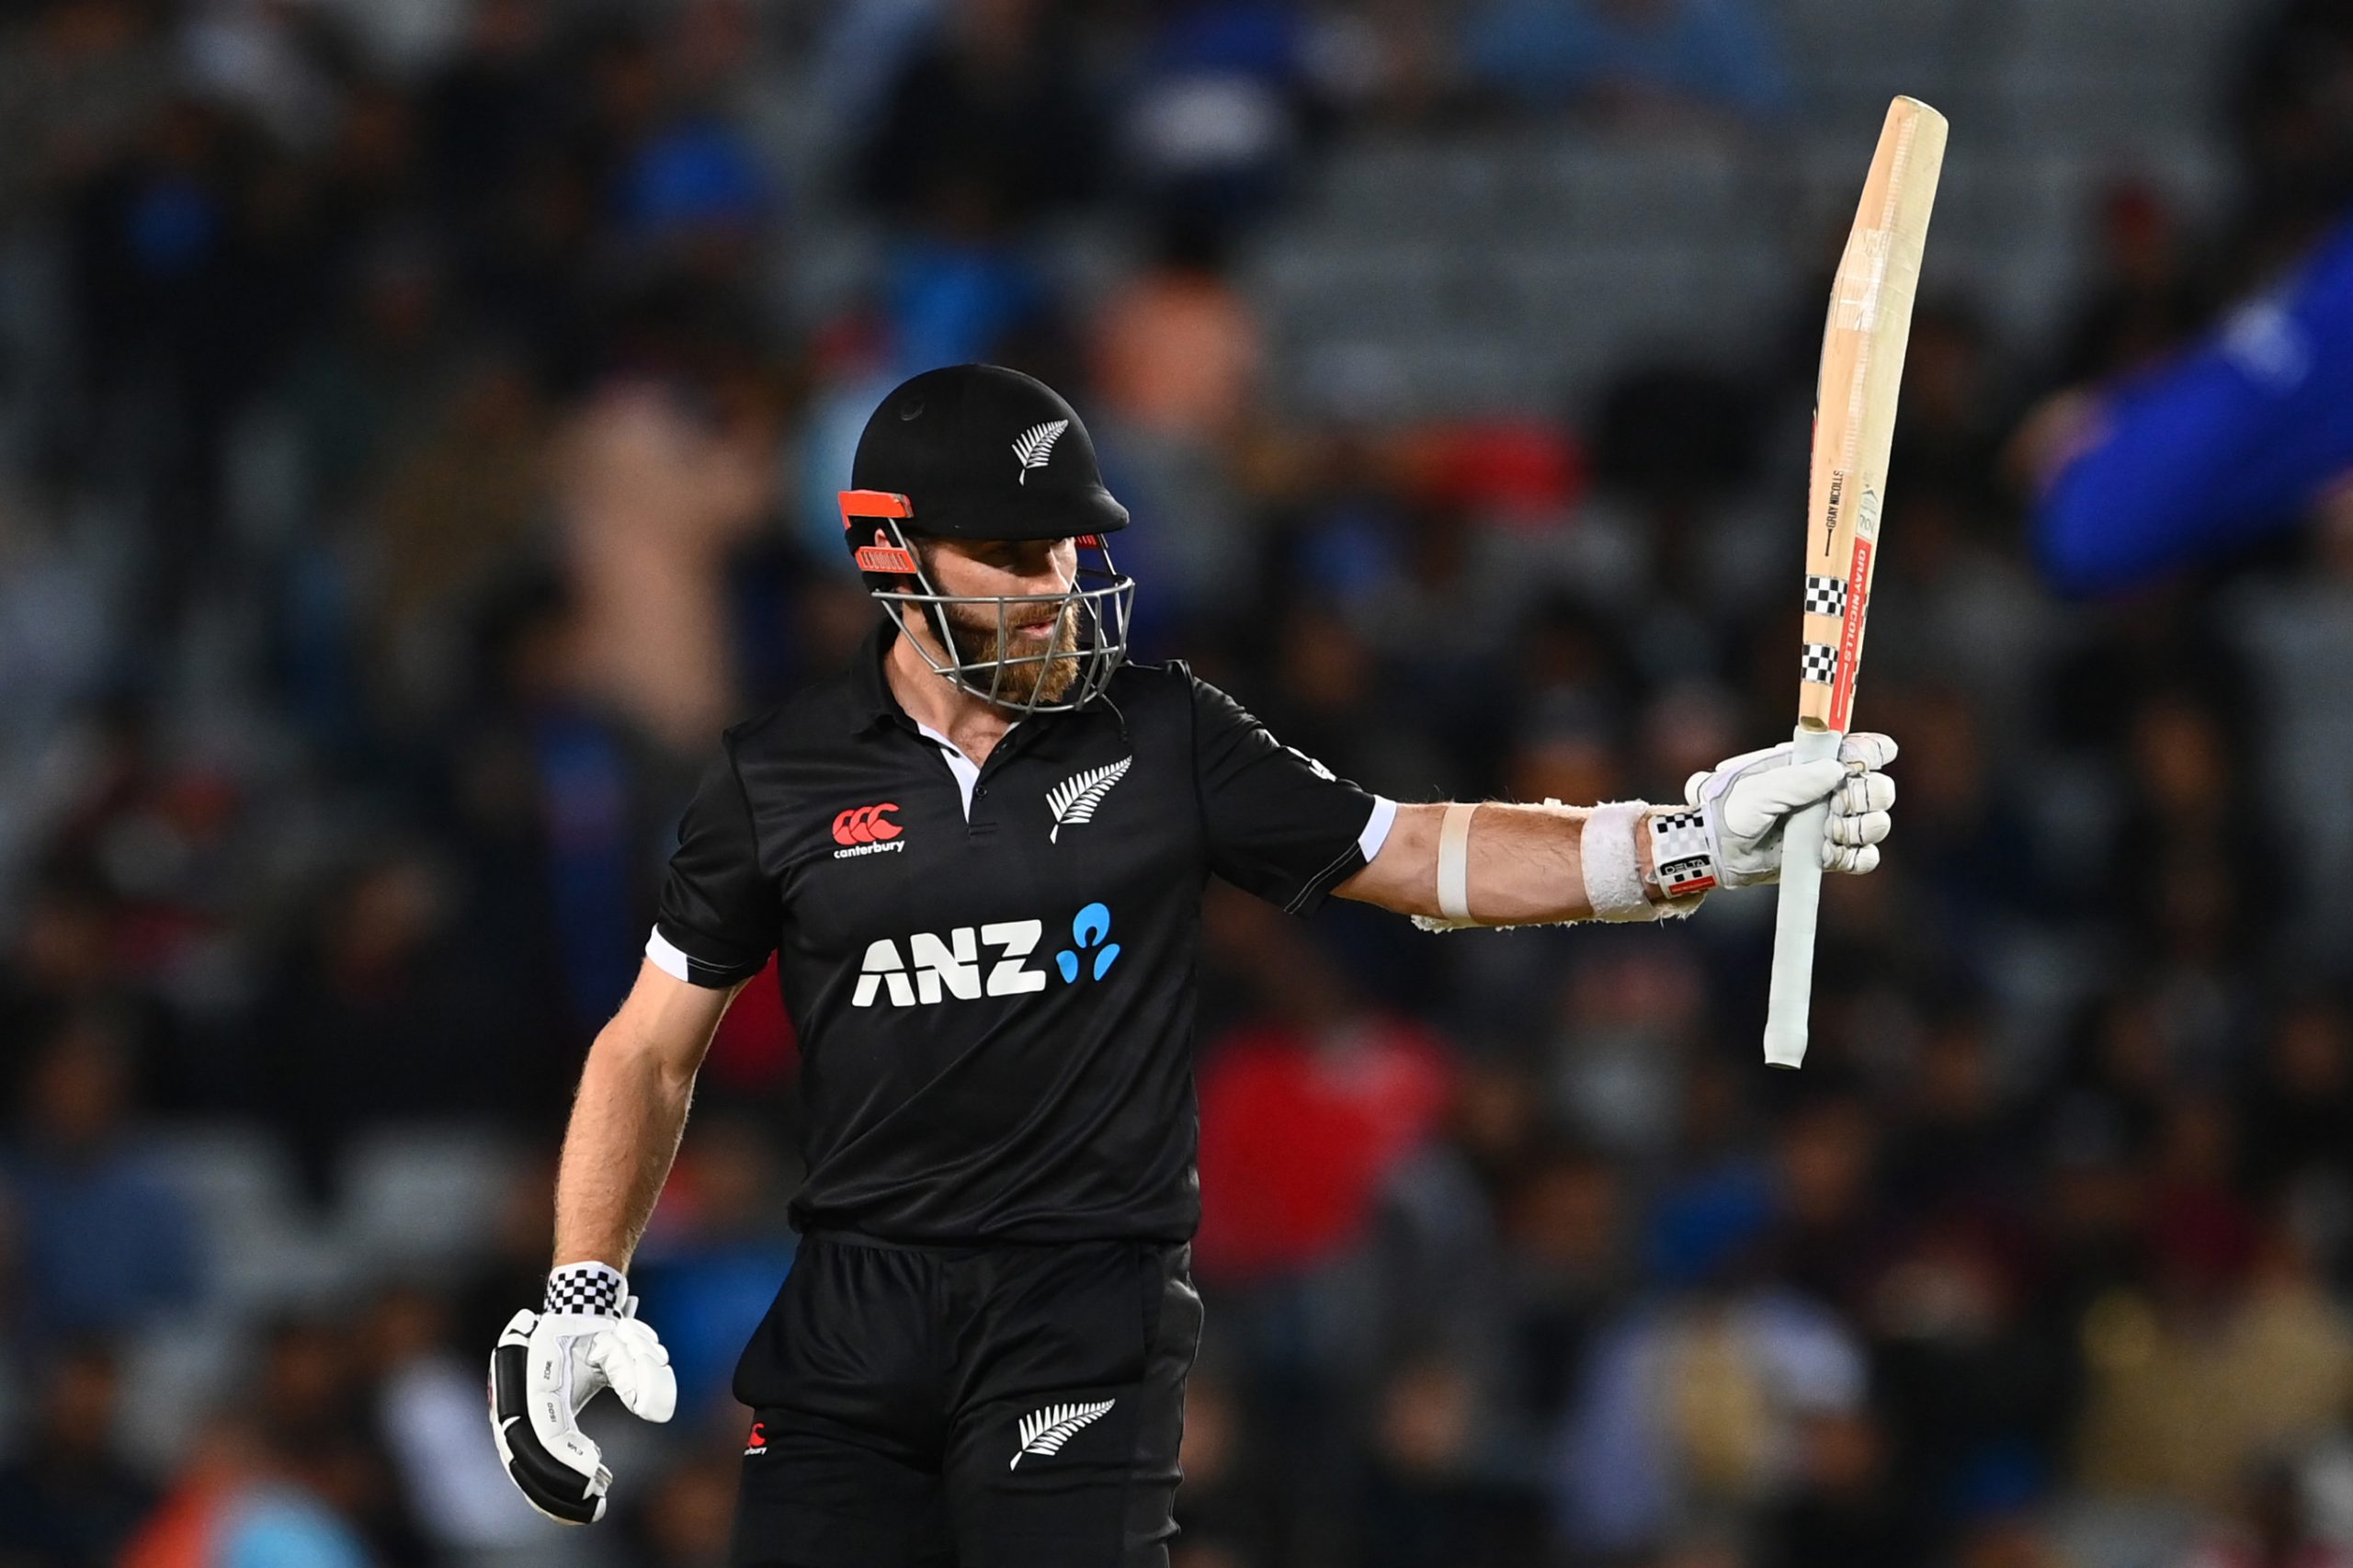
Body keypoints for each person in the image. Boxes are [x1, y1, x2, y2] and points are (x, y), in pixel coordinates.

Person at [484, 364, 1899, 1566]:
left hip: (1078, 1312)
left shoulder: (1164, 737)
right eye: (1015, 557)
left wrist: (1687, 844)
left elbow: (1418, 853)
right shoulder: (776, 778)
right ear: (886, 554)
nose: (1058, 590)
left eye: (1069, 551)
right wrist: (585, 1283)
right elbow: (648, 1047)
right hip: (853, 1321)